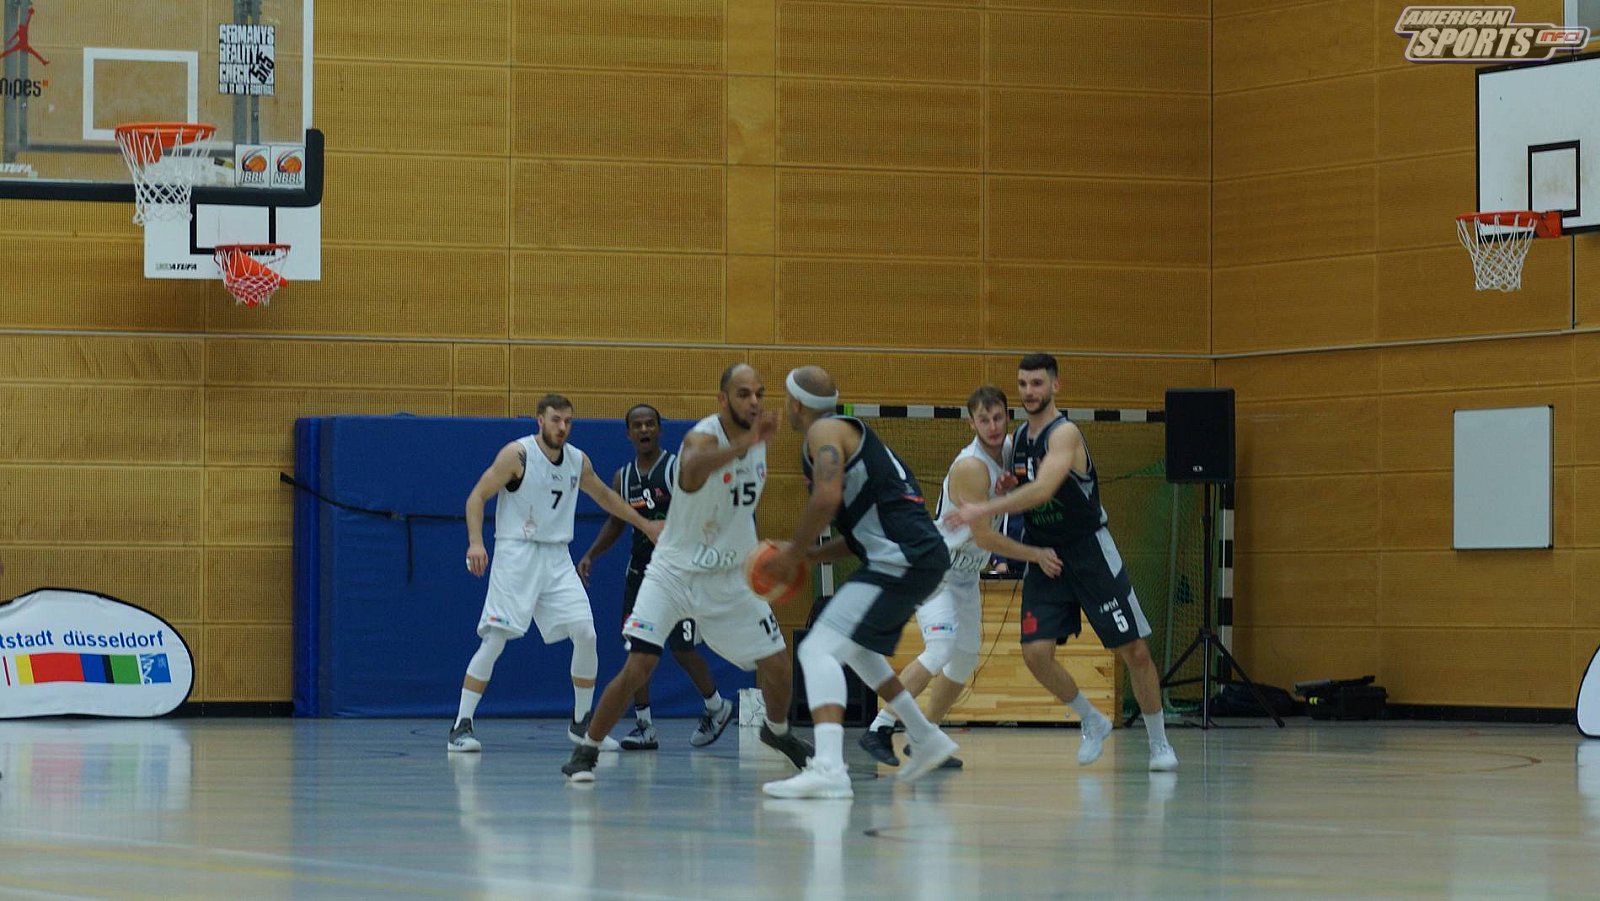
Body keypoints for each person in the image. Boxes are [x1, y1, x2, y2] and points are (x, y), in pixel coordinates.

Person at [562, 364, 814, 783]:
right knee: (639, 666)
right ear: (722, 400)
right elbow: (694, 469)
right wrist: (747, 441)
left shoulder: (758, 444)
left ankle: (777, 731)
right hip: (673, 573)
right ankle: (587, 749)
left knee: (779, 665)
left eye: (759, 393)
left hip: (730, 576)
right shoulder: (702, 438)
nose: (754, 401)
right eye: (744, 394)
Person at [944, 353, 1178, 772]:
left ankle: (1159, 744)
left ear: (1055, 386)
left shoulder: (1064, 433)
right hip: (1045, 555)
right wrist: (1005, 486)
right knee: (1035, 654)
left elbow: (1045, 488)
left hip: (1088, 551)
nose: (1029, 391)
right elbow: (1019, 485)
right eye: (1023, 384)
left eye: (1037, 383)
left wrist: (985, 507)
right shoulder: (1018, 439)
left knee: (1135, 650)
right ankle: (1091, 719)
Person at [757, 366, 959, 799]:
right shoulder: (849, 435)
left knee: (816, 649)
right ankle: (926, 737)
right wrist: (809, 554)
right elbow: (859, 536)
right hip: (912, 555)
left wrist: (791, 553)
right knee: (859, 649)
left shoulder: (824, 432)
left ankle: (830, 769)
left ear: (796, 403)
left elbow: (826, 498)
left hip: (903, 558)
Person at [858, 386, 1063, 768]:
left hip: (966, 574)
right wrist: (1036, 554)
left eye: (998, 417)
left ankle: (924, 740)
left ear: (1008, 417)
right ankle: (879, 727)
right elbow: (984, 537)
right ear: (971, 423)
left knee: (965, 658)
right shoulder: (971, 466)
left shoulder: (1007, 452)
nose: (992, 426)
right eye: (984, 420)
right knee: (940, 649)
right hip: (934, 568)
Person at [447, 394, 663, 754]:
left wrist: (645, 524)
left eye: (568, 421)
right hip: (516, 552)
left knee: (586, 633)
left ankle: (582, 724)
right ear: (540, 420)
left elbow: (606, 497)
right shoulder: (517, 455)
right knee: (495, 640)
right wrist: (475, 542)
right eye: (555, 420)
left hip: (557, 556)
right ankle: (460, 726)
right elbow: (476, 497)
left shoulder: (577, 460)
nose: (562, 427)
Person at [576, 403, 731, 751]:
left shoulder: (677, 469)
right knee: (637, 649)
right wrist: (591, 554)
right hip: (641, 575)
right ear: (629, 433)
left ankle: (716, 705)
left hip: (680, 573)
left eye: (650, 424)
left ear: (660, 429)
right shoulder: (623, 477)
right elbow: (616, 522)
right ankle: (644, 726)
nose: (644, 429)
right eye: (638, 425)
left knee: (682, 647)